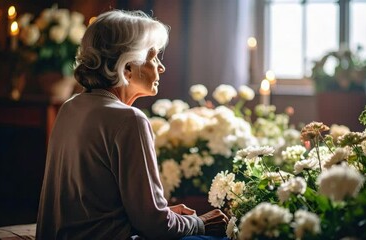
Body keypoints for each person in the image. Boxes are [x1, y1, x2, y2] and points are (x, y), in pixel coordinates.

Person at [36, 9, 229, 240]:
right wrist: (199, 223)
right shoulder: (130, 120)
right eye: (153, 57)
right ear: (127, 66)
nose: (161, 67)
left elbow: (98, 209)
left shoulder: (70, 107)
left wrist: (166, 215)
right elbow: (156, 226)